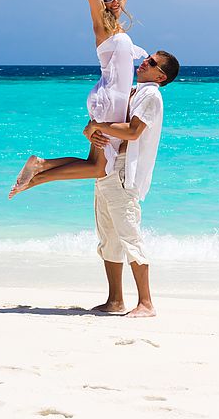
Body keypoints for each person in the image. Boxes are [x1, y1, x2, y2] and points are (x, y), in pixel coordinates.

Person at [8, 0, 146, 198]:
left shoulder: (117, 30)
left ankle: (40, 165)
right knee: (100, 167)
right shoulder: (101, 26)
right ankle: (38, 176)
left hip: (111, 98)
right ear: (99, 4)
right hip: (110, 100)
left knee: (94, 162)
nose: (115, 2)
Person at [83, 50, 180, 317]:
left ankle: (146, 303)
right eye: (146, 57)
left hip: (125, 172)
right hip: (109, 168)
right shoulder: (136, 90)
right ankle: (115, 300)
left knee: (129, 235)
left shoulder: (151, 95)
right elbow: (109, 116)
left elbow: (134, 132)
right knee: (108, 237)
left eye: (151, 63)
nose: (143, 62)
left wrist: (98, 127)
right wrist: (93, 127)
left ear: (160, 76)